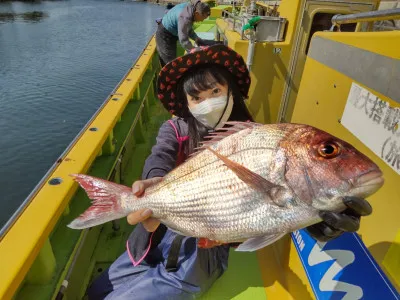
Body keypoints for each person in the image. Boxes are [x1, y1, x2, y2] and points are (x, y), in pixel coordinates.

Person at [87, 45, 373, 299]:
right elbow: (159, 157)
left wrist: (318, 223)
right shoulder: (175, 129)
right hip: (155, 232)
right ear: (186, 104)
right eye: (196, 98)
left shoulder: (257, 137)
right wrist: (151, 185)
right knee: (98, 290)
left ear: (231, 91)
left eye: (215, 91)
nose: (208, 102)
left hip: (206, 248)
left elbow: (272, 210)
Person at [155, 0, 217, 67]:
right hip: (164, 34)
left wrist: (197, 39)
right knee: (170, 64)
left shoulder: (192, 8)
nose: (202, 21)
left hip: (173, 32)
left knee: (172, 60)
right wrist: (194, 50)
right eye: (202, 18)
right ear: (196, 13)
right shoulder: (185, 17)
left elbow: (188, 28)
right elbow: (183, 40)